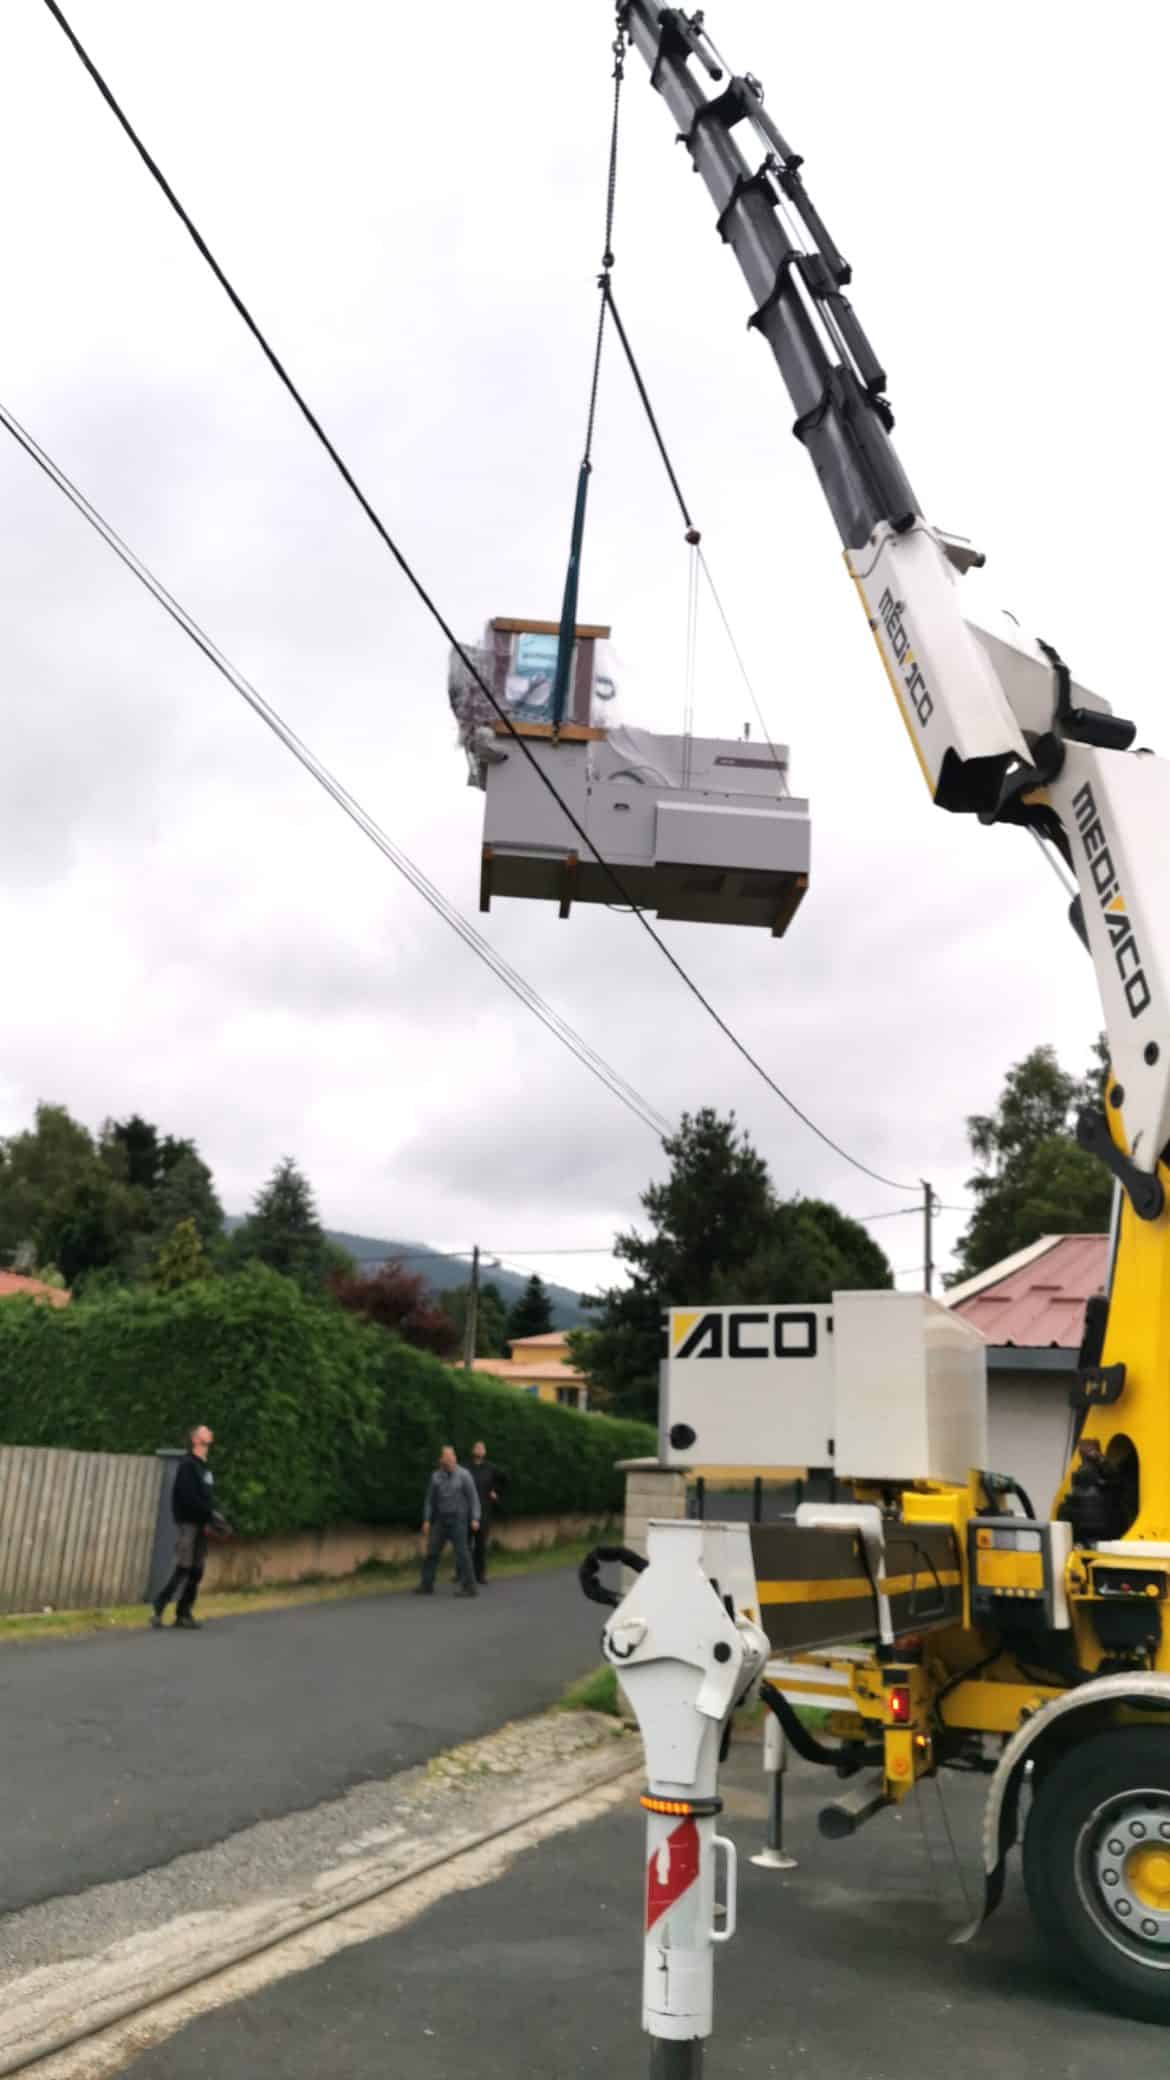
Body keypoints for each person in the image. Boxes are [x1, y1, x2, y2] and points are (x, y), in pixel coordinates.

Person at [150, 1424, 230, 1631]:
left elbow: (206, 1497)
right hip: (189, 1523)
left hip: (201, 1523)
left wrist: (213, 1516)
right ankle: (158, 1608)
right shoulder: (188, 1465)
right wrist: (209, 1513)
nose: (210, 1432)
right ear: (196, 1440)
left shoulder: (204, 1467)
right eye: (205, 1431)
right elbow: (186, 1497)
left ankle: (183, 1614)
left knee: (197, 1570)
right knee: (184, 1568)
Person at [416, 1445, 479, 1597]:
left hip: (458, 1519)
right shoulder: (435, 1477)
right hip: (441, 1520)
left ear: (455, 1458)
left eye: (452, 1457)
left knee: (462, 1553)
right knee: (431, 1551)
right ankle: (426, 1584)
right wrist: (426, 1520)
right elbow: (429, 1501)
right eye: (447, 1457)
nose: (450, 1460)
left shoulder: (464, 1475)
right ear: (441, 1460)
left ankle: (470, 1587)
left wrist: (475, 1518)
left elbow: (473, 1498)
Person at [468, 1439, 507, 1586]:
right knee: (465, 1545)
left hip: (484, 1512)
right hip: (468, 1512)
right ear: (473, 1451)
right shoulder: (466, 1468)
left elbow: (505, 1479)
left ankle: (481, 1575)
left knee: (480, 1546)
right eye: (476, 1447)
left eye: (481, 1447)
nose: (479, 1449)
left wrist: (496, 1491)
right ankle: (464, 1573)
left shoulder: (491, 1468)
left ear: (484, 1452)